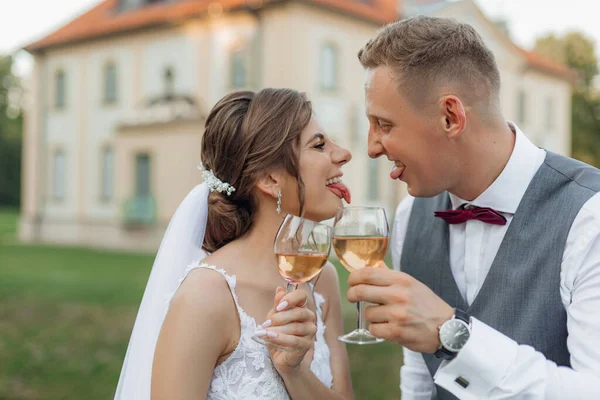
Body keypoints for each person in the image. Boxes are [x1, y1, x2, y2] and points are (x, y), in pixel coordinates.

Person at [346, 15, 600, 399]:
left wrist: (452, 335)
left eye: (384, 124)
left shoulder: (589, 215)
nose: (371, 147)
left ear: (451, 117)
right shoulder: (406, 219)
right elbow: (418, 375)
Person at [114, 88, 354, 399]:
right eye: (319, 144)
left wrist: (294, 371)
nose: (343, 153)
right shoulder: (206, 295)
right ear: (269, 178)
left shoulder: (322, 281)